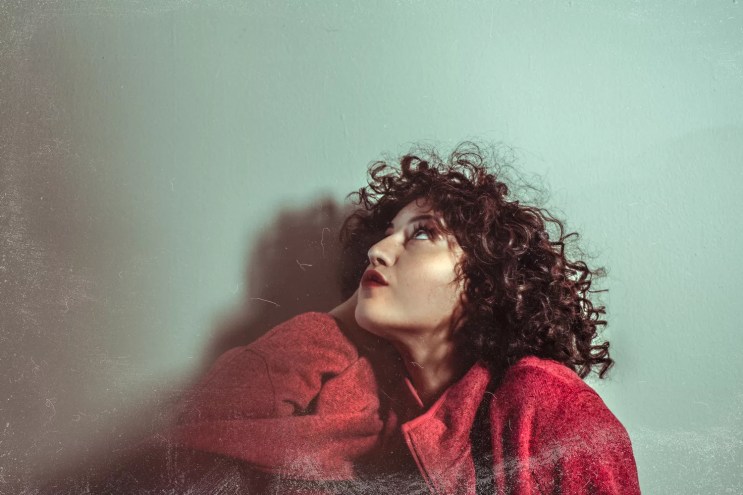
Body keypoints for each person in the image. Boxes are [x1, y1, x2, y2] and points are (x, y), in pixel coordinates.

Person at [140, 143, 641, 494]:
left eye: (421, 233)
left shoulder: (547, 407)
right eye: (386, 234)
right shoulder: (351, 395)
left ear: (486, 281)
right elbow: (190, 449)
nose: (378, 249)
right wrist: (342, 320)